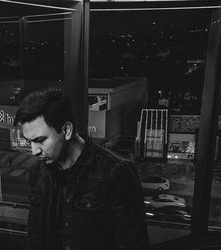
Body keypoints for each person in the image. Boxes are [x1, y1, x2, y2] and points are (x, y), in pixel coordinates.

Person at [14, 88, 148, 250]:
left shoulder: (116, 172)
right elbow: (35, 236)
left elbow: (132, 244)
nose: (34, 151)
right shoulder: (38, 172)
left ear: (67, 130)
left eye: (40, 140)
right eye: (29, 142)